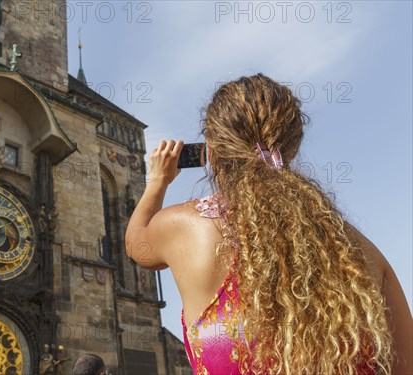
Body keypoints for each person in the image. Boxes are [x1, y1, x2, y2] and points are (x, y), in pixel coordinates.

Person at [125, 74, 412, 374]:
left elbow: (135, 242)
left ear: (211, 152)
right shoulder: (360, 252)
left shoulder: (186, 228)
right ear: (292, 148)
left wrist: (158, 181)